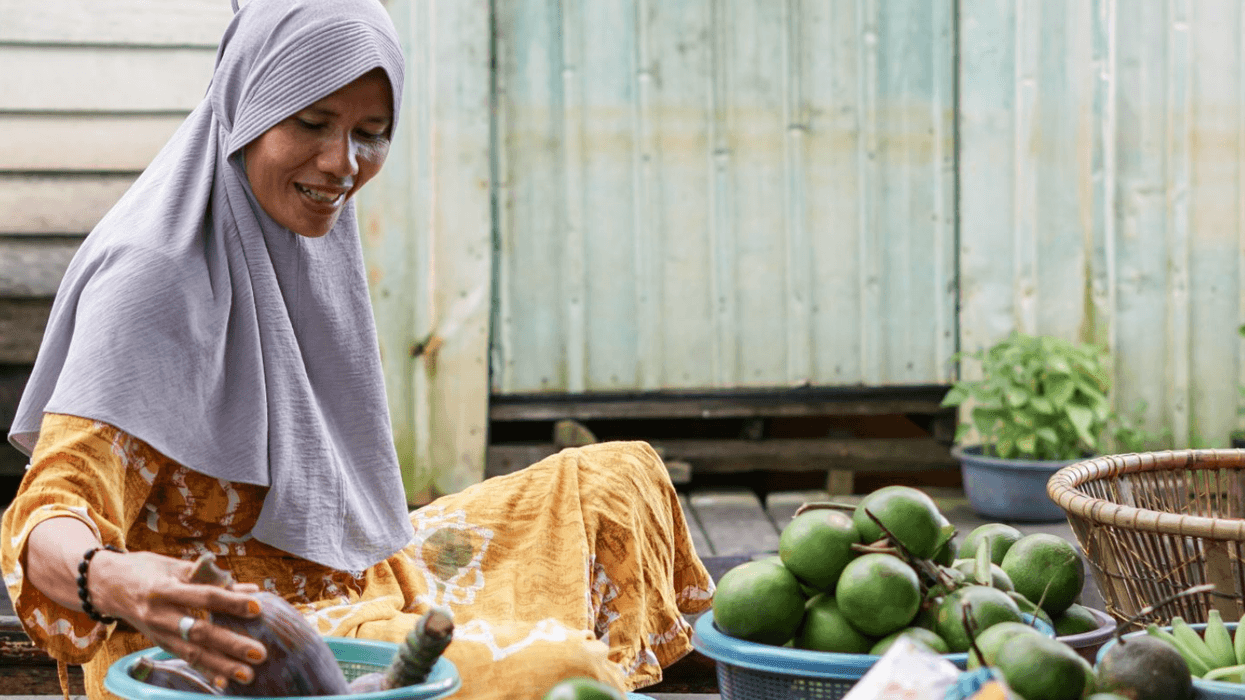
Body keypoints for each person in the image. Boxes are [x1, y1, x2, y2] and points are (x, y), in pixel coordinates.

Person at [0, 1, 714, 699]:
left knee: (616, 481)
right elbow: (47, 520)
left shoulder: (299, 233)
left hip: (349, 577)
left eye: (371, 133)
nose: (342, 163)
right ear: (245, 109)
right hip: (229, 650)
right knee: (557, 669)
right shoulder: (154, 274)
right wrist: (121, 582)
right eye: (311, 123)